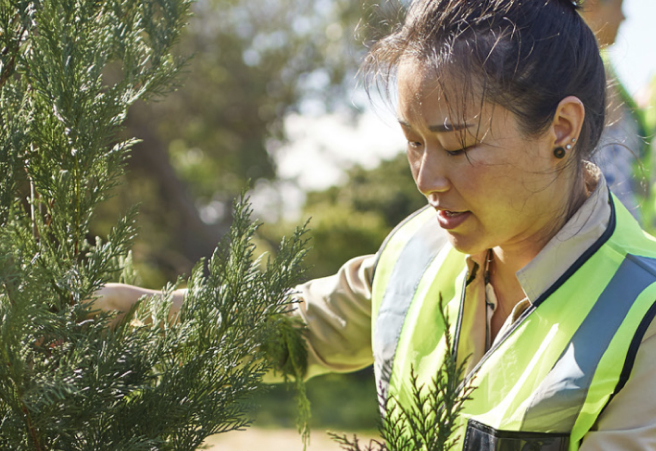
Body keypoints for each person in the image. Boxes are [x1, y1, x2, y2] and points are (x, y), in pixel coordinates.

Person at [92, 0, 656, 449]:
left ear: (560, 128)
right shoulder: (418, 246)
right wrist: (137, 316)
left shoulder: (643, 314)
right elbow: (295, 329)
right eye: (414, 143)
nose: (428, 179)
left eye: (458, 146)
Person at [580, 0, 651, 222]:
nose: (624, 17)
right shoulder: (578, 72)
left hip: (624, 231)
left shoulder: (606, 69)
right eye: (619, 5)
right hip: (602, 233)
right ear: (591, 4)